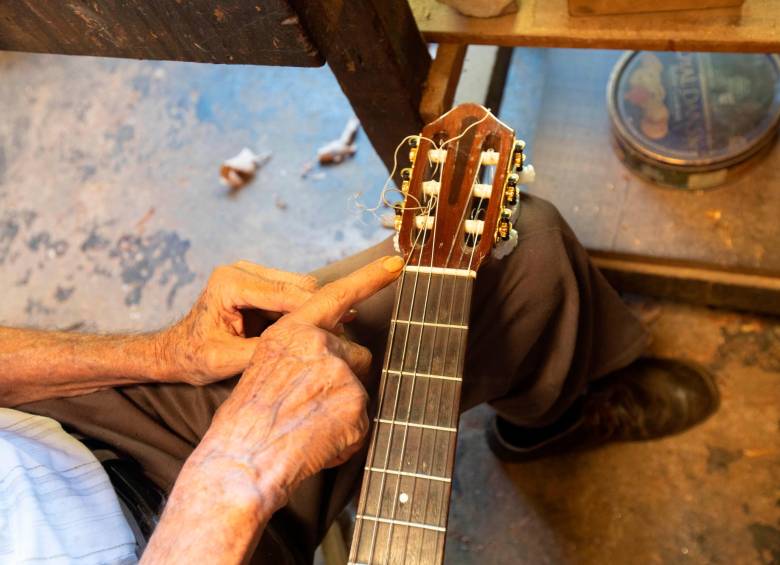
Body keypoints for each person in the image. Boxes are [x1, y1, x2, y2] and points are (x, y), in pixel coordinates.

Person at [0, 195, 718, 564]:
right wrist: (224, 492)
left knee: (520, 254)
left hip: (85, 438)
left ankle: (545, 423)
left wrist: (165, 354)